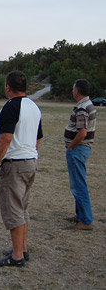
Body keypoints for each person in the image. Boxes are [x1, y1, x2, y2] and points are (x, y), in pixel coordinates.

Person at [0, 71, 43, 267]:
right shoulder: (33, 107)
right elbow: (38, 138)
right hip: (30, 162)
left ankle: (17, 256)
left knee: (14, 210)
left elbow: (5, 138)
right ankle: (22, 249)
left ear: (8, 87)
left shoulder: (10, 107)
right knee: (22, 208)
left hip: (15, 165)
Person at [64, 79, 96, 230]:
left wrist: (71, 146)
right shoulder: (87, 104)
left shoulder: (82, 108)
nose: (72, 91)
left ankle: (86, 220)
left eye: (72, 88)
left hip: (78, 149)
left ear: (77, 91)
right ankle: (80, 215)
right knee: (77, 183)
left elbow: (82, 132)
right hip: (80, 149)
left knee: (78, 185)